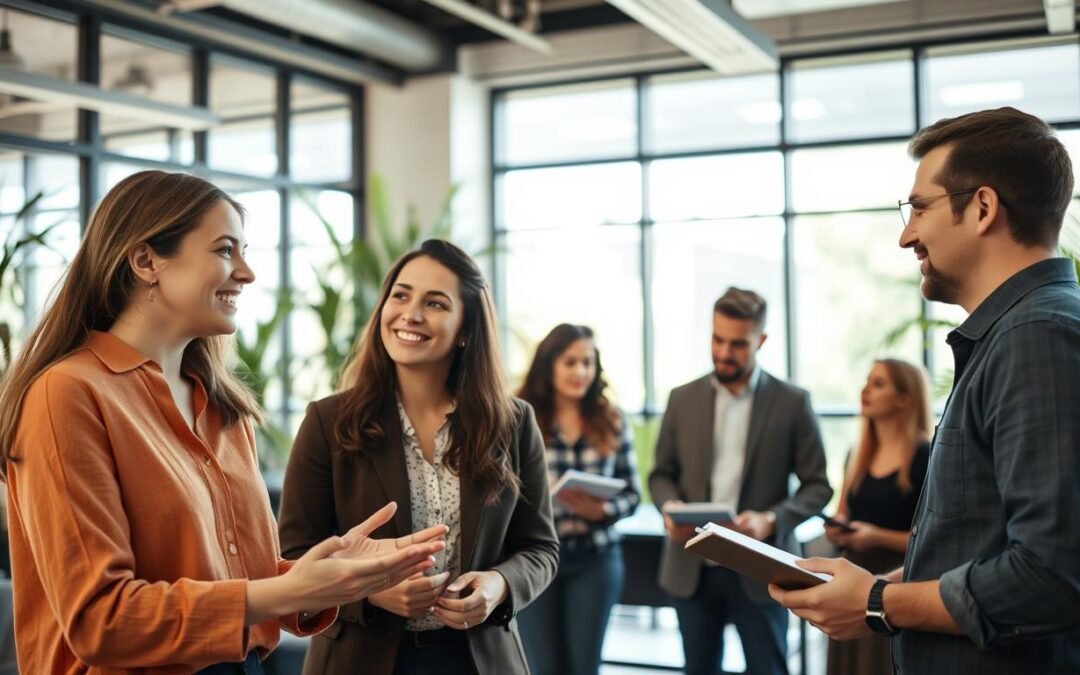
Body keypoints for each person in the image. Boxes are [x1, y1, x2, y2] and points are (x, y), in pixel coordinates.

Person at [0, 170, 446, 674]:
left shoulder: (223, 408)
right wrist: (285, 589)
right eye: (225, 250)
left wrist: (329, 575)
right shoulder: (67, 394)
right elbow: (101, 620)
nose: (248, 272)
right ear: (147, 261)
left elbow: (234, 578)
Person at [769, 107, 1080, 674]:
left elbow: (1051, 576)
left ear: (983, 208)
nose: (905, 234)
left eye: (918, 207)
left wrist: (877, 602)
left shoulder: (1036, 337)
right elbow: (980, 549)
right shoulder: (1013, 335)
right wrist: (878, 585)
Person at [277, 239, 559, 675]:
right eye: (401, 295)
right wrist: (368, 591)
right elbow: (293, 555)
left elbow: (541, 548)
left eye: (435, 303)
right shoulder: (327, 422)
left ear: (466, 330)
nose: (410, 313)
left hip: (477, 659)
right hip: (360, 658)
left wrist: (498, 585)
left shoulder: (513, 422)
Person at [649, 286, 832, 675]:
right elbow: (661, 473)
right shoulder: (681, 398)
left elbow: (818, 487)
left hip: (762, 569)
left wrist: (771, 520)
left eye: (738, 344)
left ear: (761, 340)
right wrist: (670, 508)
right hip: (691, 566)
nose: (724, 352)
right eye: (717, 339)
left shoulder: (793, 403)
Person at [515, 323, 642, 675]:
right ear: (549, 365)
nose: (581, 372)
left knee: (584, 667)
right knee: (543, 667)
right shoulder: (520, 416)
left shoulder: (611, 418)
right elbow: (500, 491)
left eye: (588, 363)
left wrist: (602, 510)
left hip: (595, 558)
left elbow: (633, 492)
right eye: (570, 362)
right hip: (537, 560)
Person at [824, 359, 931, 675]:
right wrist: (838, 531)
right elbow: (842, 513)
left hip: (896, 584)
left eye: (878, 384)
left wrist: (875, 535)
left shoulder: (925, 456)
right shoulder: (856, 455)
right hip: (851, 579)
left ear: (904, 398)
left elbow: (931, 539)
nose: (865, 390)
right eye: (866, 381)